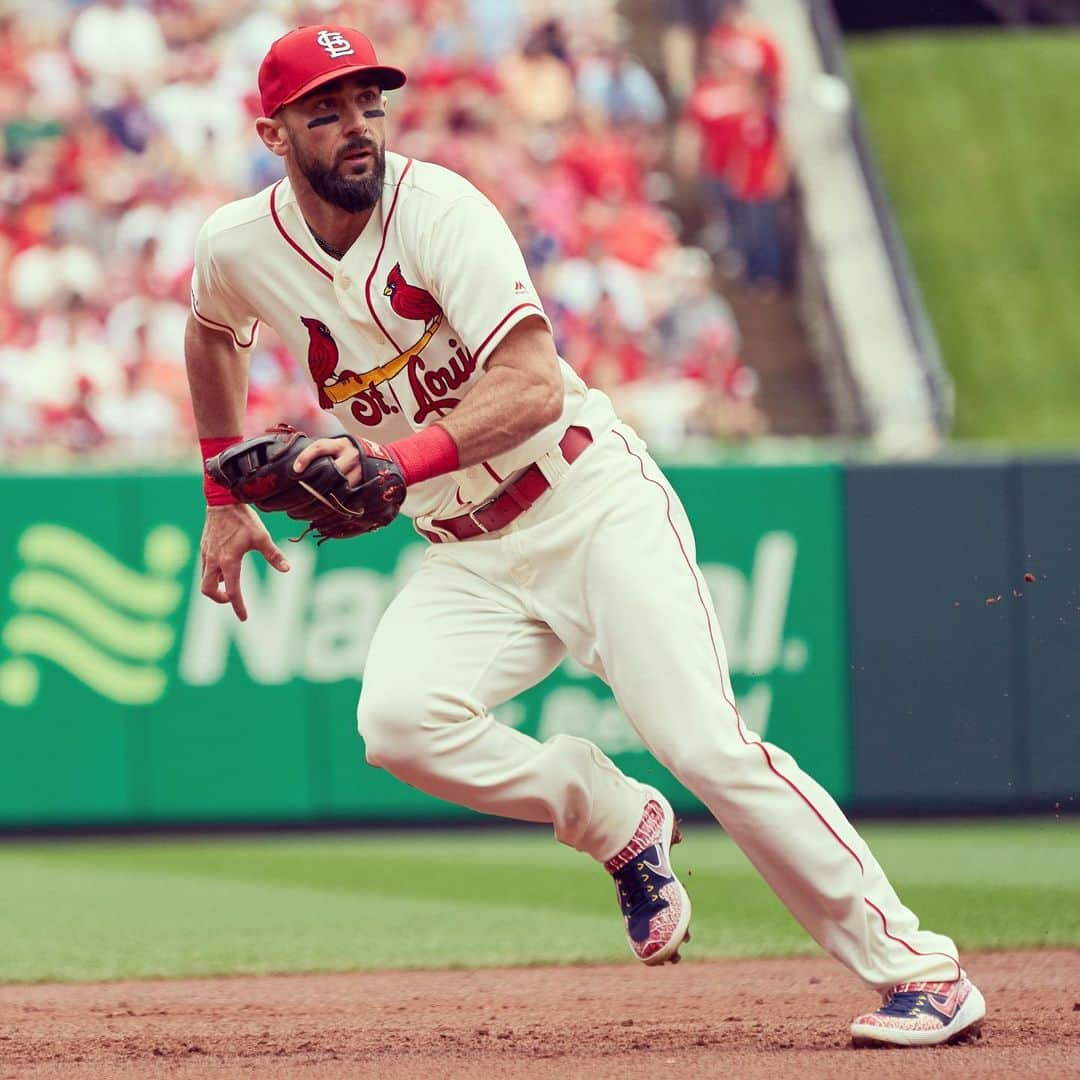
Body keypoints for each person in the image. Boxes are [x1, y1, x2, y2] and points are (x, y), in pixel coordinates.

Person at [185, 24, 985, 1049]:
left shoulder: (441, 212)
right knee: (397, 721)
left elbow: (524, 384)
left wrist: (395, 465)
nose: (356, 128)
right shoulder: (240, 245)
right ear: (273, 131)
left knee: (704, 741)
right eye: (325, 111)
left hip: (586, 499)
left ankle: (924, 972)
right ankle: (615, 820)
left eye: (367, 104)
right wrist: (219, 491)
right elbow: (210, 327)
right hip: (467, 546)